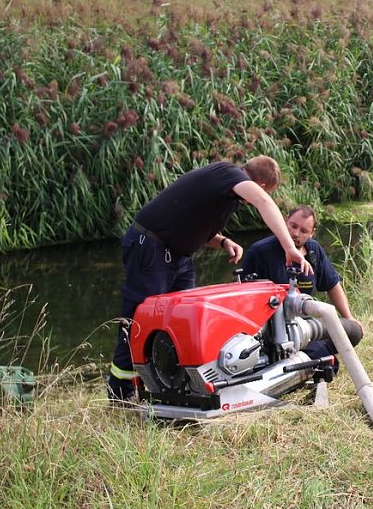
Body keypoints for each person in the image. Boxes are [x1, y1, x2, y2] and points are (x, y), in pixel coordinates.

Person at [107, 156, 312, 402]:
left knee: (184, 323)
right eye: (264, 191)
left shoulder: (226, 192)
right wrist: (289, 247)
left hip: (178, 256)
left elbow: (191, 222)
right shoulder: (229, 174)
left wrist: (223, 242)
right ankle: (121, 392)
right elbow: (263, 201)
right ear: (261, 185)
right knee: (139, 322)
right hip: (151, 248)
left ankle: (177, 389)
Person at [241, 205, 364, 362]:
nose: (295, 233)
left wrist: (349, 317)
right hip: (270, 332)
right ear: (285, 221)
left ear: (312, 233)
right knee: (327, 362)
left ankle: (308, 358)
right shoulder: (260, 251)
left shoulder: (314, 251)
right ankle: (302, 360)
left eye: (304, 231)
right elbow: (244, 298)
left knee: (354, 332)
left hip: (303, 327)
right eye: (293, 226)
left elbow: (332, 285)